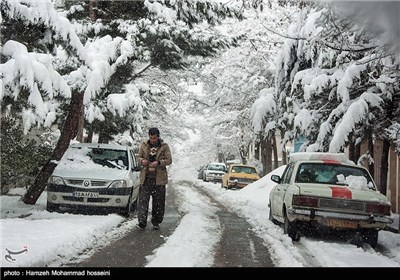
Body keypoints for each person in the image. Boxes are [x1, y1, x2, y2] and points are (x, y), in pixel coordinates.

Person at [137, 127, 172, 230]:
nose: (153, 140)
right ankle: (142, 222)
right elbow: (138, 157)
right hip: (146, 177)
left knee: (158, 202)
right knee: (143, 201)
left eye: (154, 138)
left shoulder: (164, 147)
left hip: (159, 179)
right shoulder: (144, 145)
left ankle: (156, 221)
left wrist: (159, 162)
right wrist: (142, 160)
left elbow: (169, 160)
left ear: (158, 137)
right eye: (151, 138)